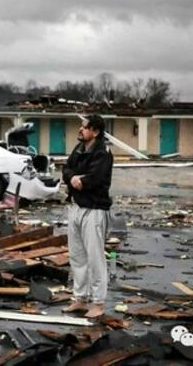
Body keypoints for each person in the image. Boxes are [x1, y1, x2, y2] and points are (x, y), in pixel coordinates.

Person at [61, 114, 113, 318]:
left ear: (95, 131)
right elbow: (66, 169)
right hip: (75, 207)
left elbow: (94, 180)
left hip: (94, 210)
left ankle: (98, 303)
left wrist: (79, 181)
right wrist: (73, 177)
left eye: (84, 127)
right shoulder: (79, 149)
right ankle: (80, 298)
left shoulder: (103, 153)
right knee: (77, 256)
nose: (80, 130)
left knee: (95, 257)